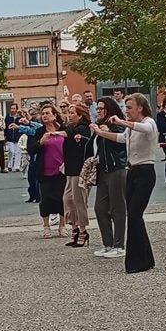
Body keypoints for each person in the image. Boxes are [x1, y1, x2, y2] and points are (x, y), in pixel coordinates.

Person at [90, 93, 158, 274]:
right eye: (126, 107)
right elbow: (121, 139)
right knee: (135, 216)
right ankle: (146, 258)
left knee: (135, 215)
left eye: (129, 107)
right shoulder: (129, 128)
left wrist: (121, 122)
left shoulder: (149, 122)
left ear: (140, 108)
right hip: (132, 172)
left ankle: (137, 260)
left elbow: (145, 130)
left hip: (145, 172)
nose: (126, 111)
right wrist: (100, 132)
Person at [92, 97, 127, 259]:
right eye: (97, 108)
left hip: (116, 168)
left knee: (117, 208)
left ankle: (119, 245)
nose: (98, 111)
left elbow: (121, 142)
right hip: (103, 170)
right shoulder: (99, 125)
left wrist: (106, 132)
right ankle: (108, 243)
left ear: (109, 110)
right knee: (100, 207)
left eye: (101, 108)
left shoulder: (117, 124)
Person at [27, 105, 67, 238]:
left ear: (54, 115)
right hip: (44, 171)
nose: (44, 116)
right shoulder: (38, 131)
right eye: (43, 113)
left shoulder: (63, 130)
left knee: (62, 199)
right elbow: (31, 149)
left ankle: (62, 226)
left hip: (62, 171)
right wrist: (41, 142)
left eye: (47, 113)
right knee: (45, 199)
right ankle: (46, 226)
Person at [62, 103, 94, 247]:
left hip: (80, 170)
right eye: (68, 112)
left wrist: (56, 133)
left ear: (80, 115)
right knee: (67, 199)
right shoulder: (70, 128)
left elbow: (68, 133)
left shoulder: (83, 128)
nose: (69, 114)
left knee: (79, 200)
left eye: (72, 112)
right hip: (70, 169)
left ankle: (82, 230)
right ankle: (74, 226)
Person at [5, 103, 24, 172]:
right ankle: (9, 165)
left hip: (18, 137)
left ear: (16, 109)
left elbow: (23, 126)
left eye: (14, 108)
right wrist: (5, 136)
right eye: (11, 108)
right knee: (11, 151)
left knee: (18, 152)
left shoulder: (20, 117)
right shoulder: (7, 117)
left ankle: (17, 166)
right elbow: (6, 127)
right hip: (10, 137)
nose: (12, 110)